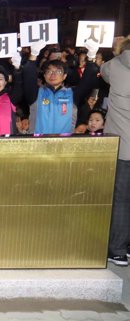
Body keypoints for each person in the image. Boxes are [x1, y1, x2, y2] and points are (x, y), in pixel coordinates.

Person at [24, 40, 100, 135]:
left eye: (58, 72)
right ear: (44, 75)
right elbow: (28, 78)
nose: (53, 75)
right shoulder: (36, 93)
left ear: (64, 76)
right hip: (38, 144)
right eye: (49, 71)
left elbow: (87, 81)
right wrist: (33, 54)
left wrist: (91, 56)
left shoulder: (72, 94)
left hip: (64, 145)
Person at [102, 35, 130, 265]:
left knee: (121, 199)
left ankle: (118, 249)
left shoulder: (115, 66)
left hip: (123, 147)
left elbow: (102, 71)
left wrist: (118, 51)